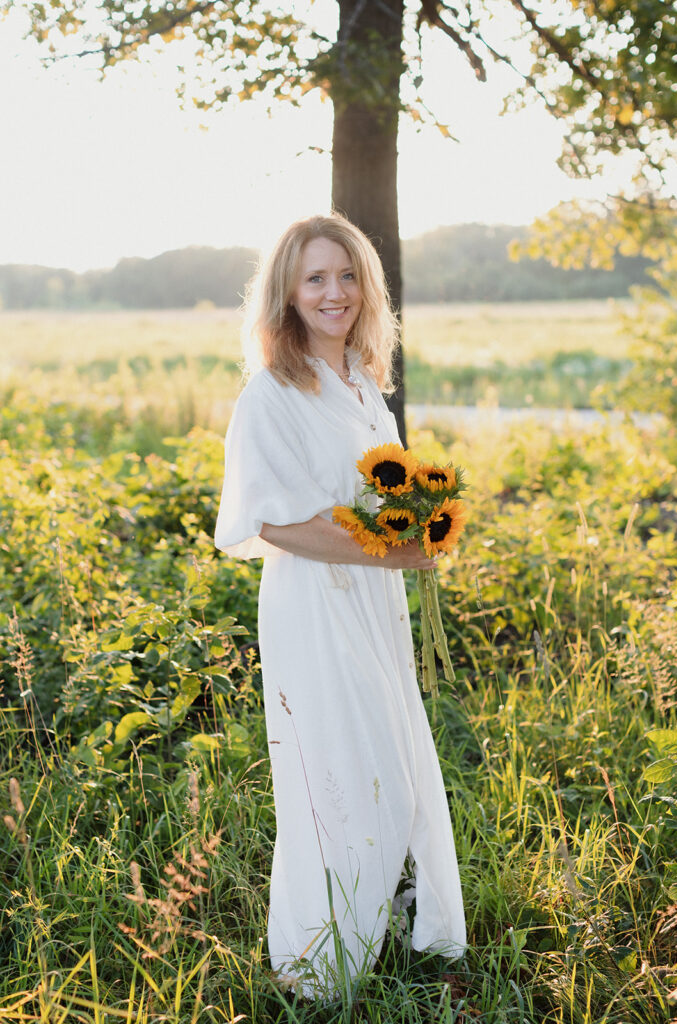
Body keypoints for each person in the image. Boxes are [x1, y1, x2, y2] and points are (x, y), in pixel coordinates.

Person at [214, 213, 466, 997]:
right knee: (337, 770)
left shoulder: (361, 384)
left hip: (372, 602)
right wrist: (392, 549)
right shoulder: (271, 394)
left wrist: (414, 535)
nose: (335, 293)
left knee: (391, 765)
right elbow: (273, 523)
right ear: (286, 292)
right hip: (315, 608)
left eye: (348, 275)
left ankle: (385, 923)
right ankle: (316, 965)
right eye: (316, 278)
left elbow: (374, 494)